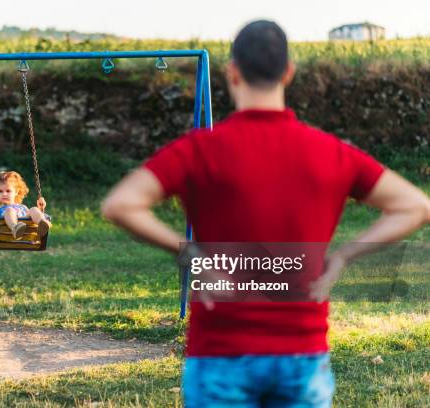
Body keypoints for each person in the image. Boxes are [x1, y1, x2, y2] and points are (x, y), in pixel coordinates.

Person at [101, 20, 430, 407]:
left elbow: (120, 204)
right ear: (288, 73)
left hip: (219, 354)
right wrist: (342, 257)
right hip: (302, 355)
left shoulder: (199, 150)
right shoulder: (330, 152)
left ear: (232, 72)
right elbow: (415, 206)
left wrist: (191, 255)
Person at [0, 171, 51, 239]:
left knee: (33, 209)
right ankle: (15, 228)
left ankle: (42, 223)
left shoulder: (22, 207)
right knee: (9, 210)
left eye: (8, 191)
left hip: (28, 232)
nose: (4, 194)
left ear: (16, 192)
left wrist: (41, 209)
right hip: (8, 235)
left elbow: (31, 218)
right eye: (0, 191)